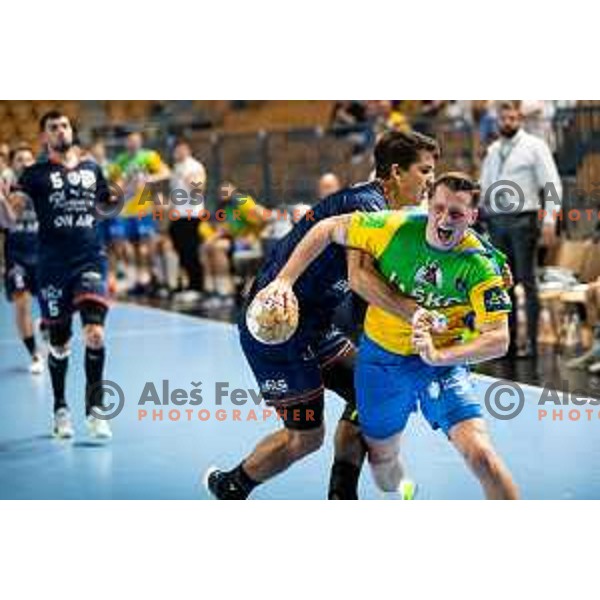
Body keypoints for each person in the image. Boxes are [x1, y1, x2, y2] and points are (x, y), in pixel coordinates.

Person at [205, 130, 439, 500]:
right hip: (277, 328)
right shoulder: (368, 207)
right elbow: (360, 278)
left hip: (316, 325)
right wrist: (416, 313)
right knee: (306, 437)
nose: (431, 180)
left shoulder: (388, 211)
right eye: (425, 171)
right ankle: (233, 484)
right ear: (396, 172)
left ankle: (341, 495)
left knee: (370, 394)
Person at [259, 173, 519, 499]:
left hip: (440, 364)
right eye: (438, 208)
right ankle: (400, 484)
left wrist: (441, 356)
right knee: (383, 467)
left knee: (481, 456)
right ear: (428, 204)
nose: (444, 219)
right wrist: (284, 280)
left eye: (456, 213)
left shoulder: (480, 264)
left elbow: (499, 339)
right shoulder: (392, 227)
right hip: (380, 361)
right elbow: (325, 228)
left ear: (472, 216)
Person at [13, 111, 114, 440]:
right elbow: (10, 217)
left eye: (65, 125)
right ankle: (60, 409)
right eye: (53, 127)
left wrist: (128, 192)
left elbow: (105, 209)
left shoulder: (91, 168)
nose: (60, 131)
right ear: (44, 137)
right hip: (53, 265)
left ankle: (95, 409)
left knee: (95, 334)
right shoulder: (34, 174)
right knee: (59, 343)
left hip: (90, 258)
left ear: (72, 130)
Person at [480, 101, 562, 358]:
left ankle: (534, 345)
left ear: (521, 120)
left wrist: (550, 219)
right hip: (496, 220)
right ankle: (510, 343)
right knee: (502, 283)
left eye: (513, 118)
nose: (508, 123)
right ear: (498, 121)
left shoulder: (534, 147)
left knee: (527, 282)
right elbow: (484, 186)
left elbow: (552, 184)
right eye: (504, 119)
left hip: (523, 219)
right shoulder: (493, 150)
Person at [108, 131, 171, 295]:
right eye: (130, 140)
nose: (133, 143)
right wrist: (124, 183)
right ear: (126, 142)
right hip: (126, 210)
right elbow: (114, 184)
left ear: (140, 141)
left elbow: (165, 173)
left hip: (144, 207)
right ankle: (140, 280)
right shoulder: (120, 160)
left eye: (136, 140)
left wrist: (148, 179)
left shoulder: (149, 156)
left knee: (146, 245)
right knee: (132, 248)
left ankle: (153, 278)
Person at [0, 144, 44, 374]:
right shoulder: (7, 190)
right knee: (22, 303)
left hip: (45, 257)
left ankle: (46, 325)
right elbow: (5, 223)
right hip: (17, 258)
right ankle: (35, 354)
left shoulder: (45, 189)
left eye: (29, 159)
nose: (25, 163)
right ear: (12, 165)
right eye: (20, 159)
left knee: (54, 308)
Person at [198, 182, 268, 308]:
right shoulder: (223, 208)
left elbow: (264, 217)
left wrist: (254, 236)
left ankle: (226, 294)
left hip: (249, 242)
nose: (223, 192)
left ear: (234, 190)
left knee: (217, 248)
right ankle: (213, 290)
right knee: (207, 248)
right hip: (234, 241)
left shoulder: (243, 202)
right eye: (221, 190)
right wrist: (210, 240)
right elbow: (223, 230)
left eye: (226, 189)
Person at [169, 140, 206, 300]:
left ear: (186, 149)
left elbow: (198, 188)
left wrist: (189, 180)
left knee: (191, 251)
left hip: (192, 215)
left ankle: (197, 286)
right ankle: (186, 284)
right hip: (179, 215)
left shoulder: (194, 166)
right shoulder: (176, 167)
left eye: (180, 149)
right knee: (181, 251)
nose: (177, 153)